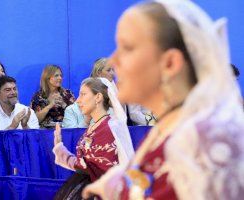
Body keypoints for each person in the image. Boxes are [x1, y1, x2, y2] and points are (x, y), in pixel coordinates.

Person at [82, 0, 244, 199]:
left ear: (169, 63)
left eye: (127, 48)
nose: (114, 61)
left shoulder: (200, 144)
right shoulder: (169, 128)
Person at [53, 77, 134, 199]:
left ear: (98, 97)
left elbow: (107, 170)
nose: (78, 101)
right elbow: (84, 166)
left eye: (83, 94)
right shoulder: (94, 127)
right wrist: (59, 148)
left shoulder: (110, 128)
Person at [91, 57, 156, 126]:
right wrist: (152, 122)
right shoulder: (93, 89)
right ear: (99, 73)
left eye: (113, 70)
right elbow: (133, 114)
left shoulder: (114, 87)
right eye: (108, 70)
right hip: (104, 126)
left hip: (118, 126)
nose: (113, 73)